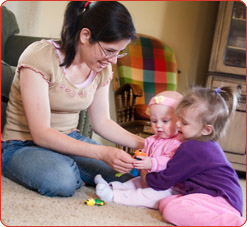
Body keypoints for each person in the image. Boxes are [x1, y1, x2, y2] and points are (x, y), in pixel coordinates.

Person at [1, 1, 144, 197]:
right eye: (109, 51)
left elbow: (102, 122)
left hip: (70, 139)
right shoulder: (40, 57)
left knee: (127, 176)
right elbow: (41, 134)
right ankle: (66, 167)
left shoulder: (102, 67)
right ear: (85, 36)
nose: (113, 60)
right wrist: (101, 153)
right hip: (22, 144)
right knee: (62, 181)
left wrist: (146, 144)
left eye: (119, 52)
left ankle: (69, 163)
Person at [143, 87, 245, 226]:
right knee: (166, 202)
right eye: (179, 119)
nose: (177, 124)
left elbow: (163, 182)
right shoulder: (205, 144)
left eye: (184, 123)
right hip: (221, 197)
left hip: (220, 199)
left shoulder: (192, 148)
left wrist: (145, 174)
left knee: (172, 210)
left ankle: (234, 223)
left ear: (206, 129)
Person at [94, 91, 183, 209]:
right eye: (154, 121)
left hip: (169, 188)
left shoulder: (178, 143)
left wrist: (151, 163)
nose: (158, 126)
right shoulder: (152, 139)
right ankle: (112, 187)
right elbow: (145, 153)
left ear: (180, 120)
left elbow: (170, 161)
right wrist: (137, 161)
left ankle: (114, 196)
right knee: (134, 182)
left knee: (146, 195)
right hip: (149, 179)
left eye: (165, 121)